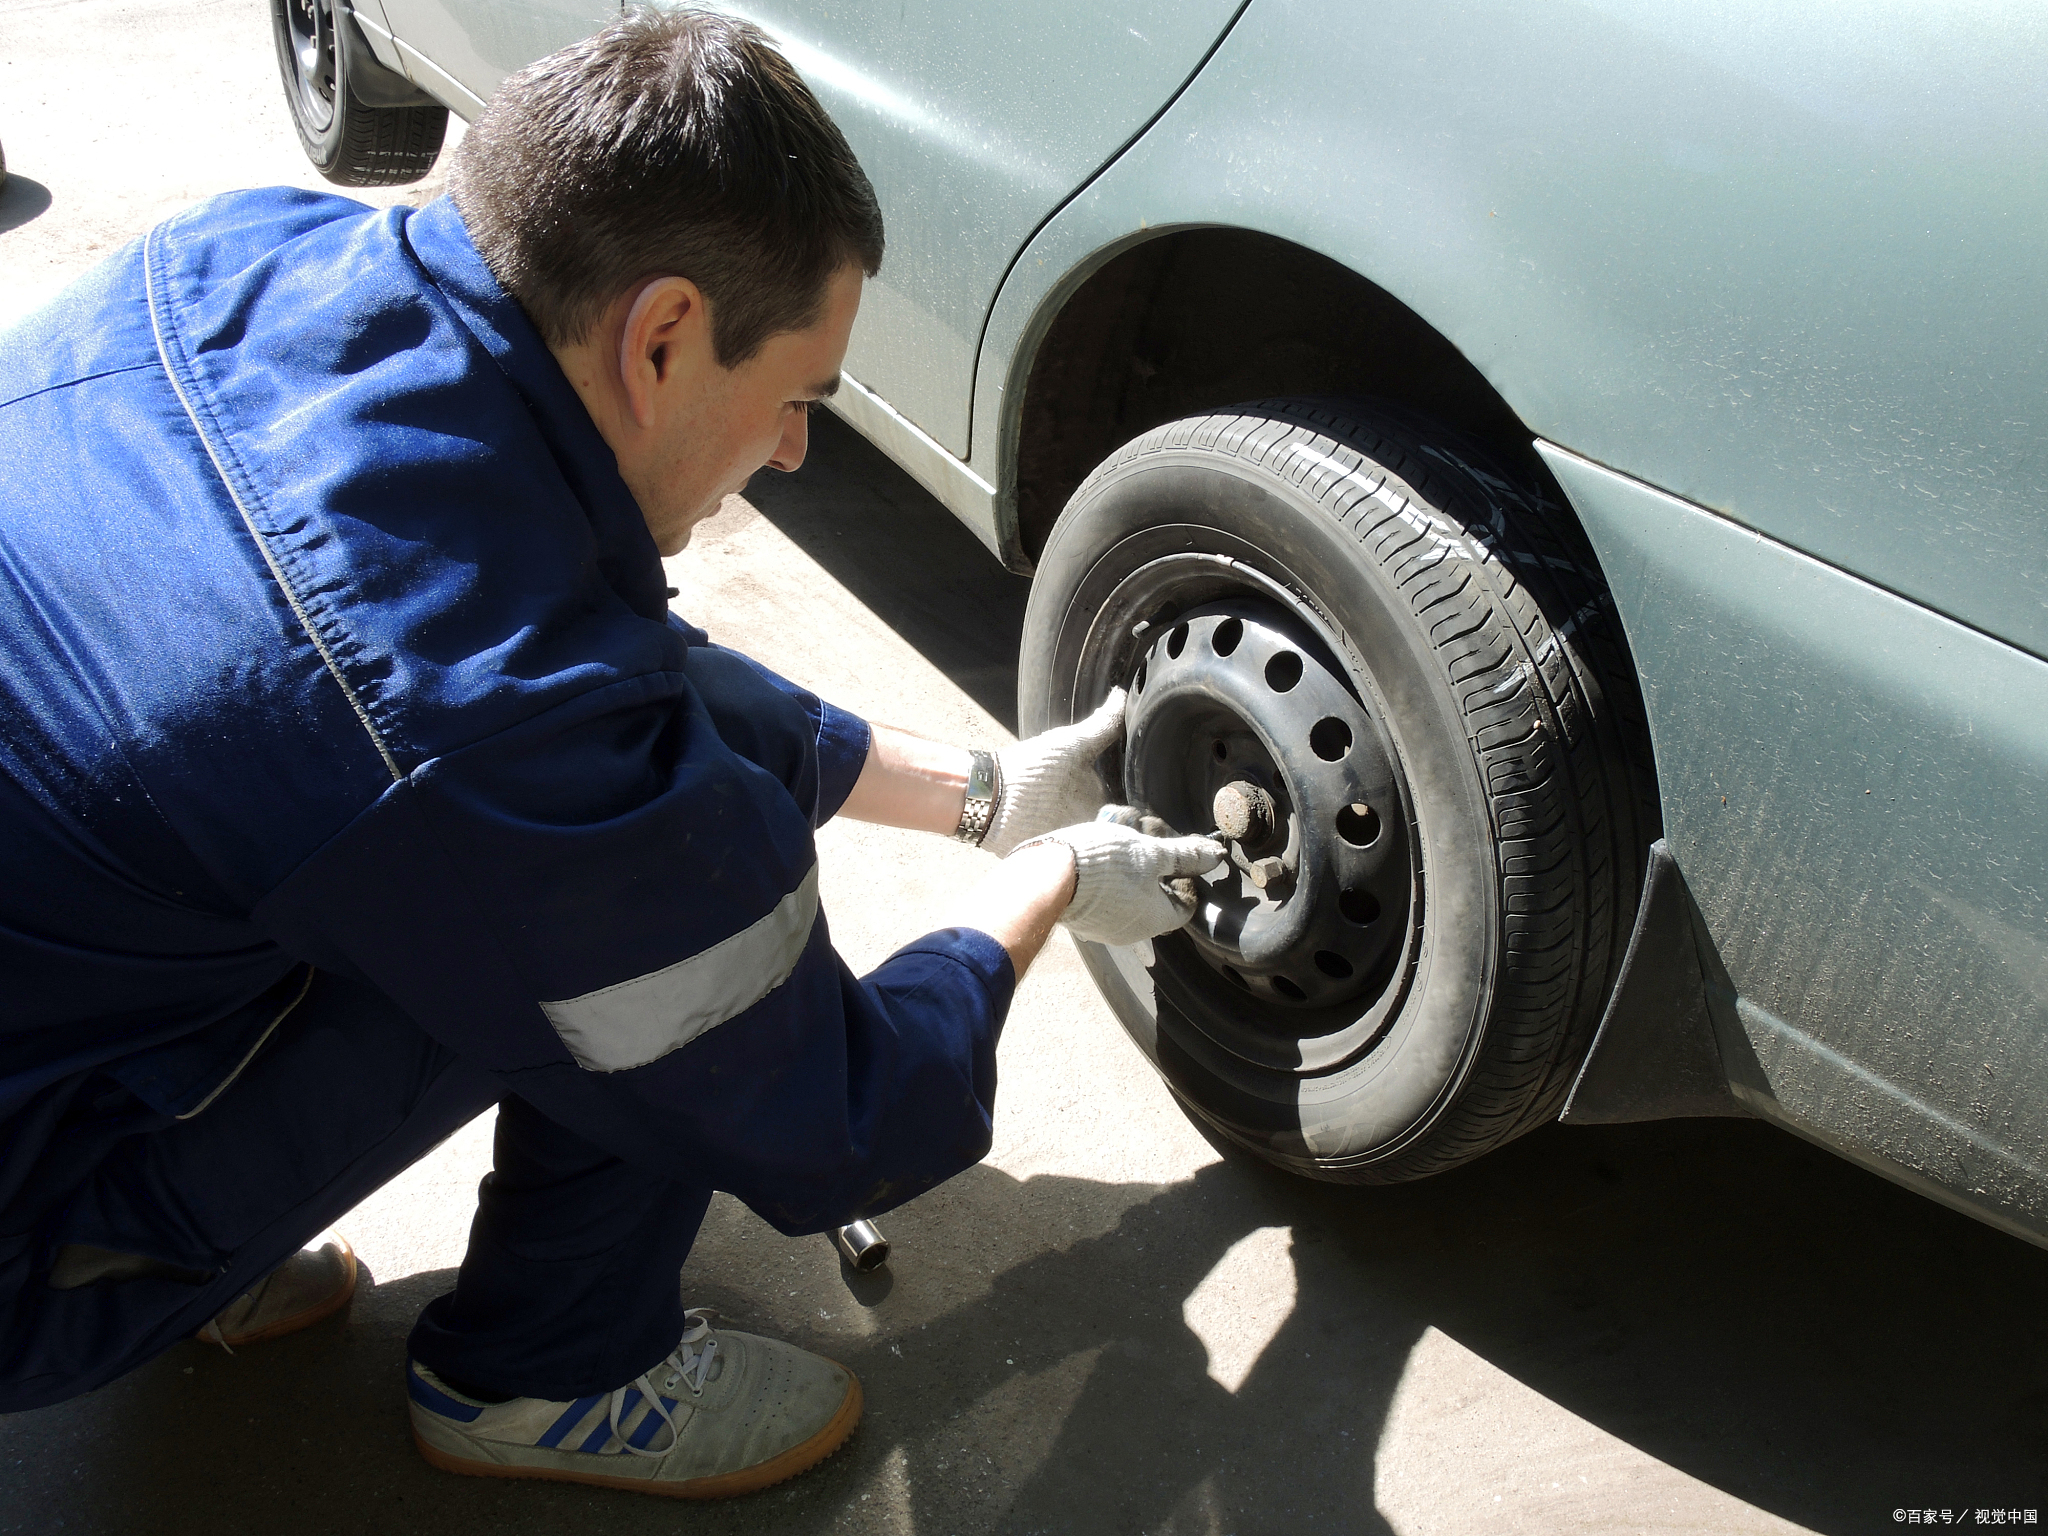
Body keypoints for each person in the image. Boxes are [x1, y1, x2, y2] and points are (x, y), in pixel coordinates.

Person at [0, 6, 1223, 1500]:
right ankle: (546, 1375)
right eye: (796, 398)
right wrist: (1036, 889)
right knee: (674, 950)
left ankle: (194, 1227)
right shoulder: (471, 708)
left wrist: (972, 795)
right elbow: (835, 1108)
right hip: (24, 1249)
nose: (790, 450)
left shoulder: (247, 261)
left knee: (547, 833)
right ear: (660, 336)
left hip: (74, 983)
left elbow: (570, 670)